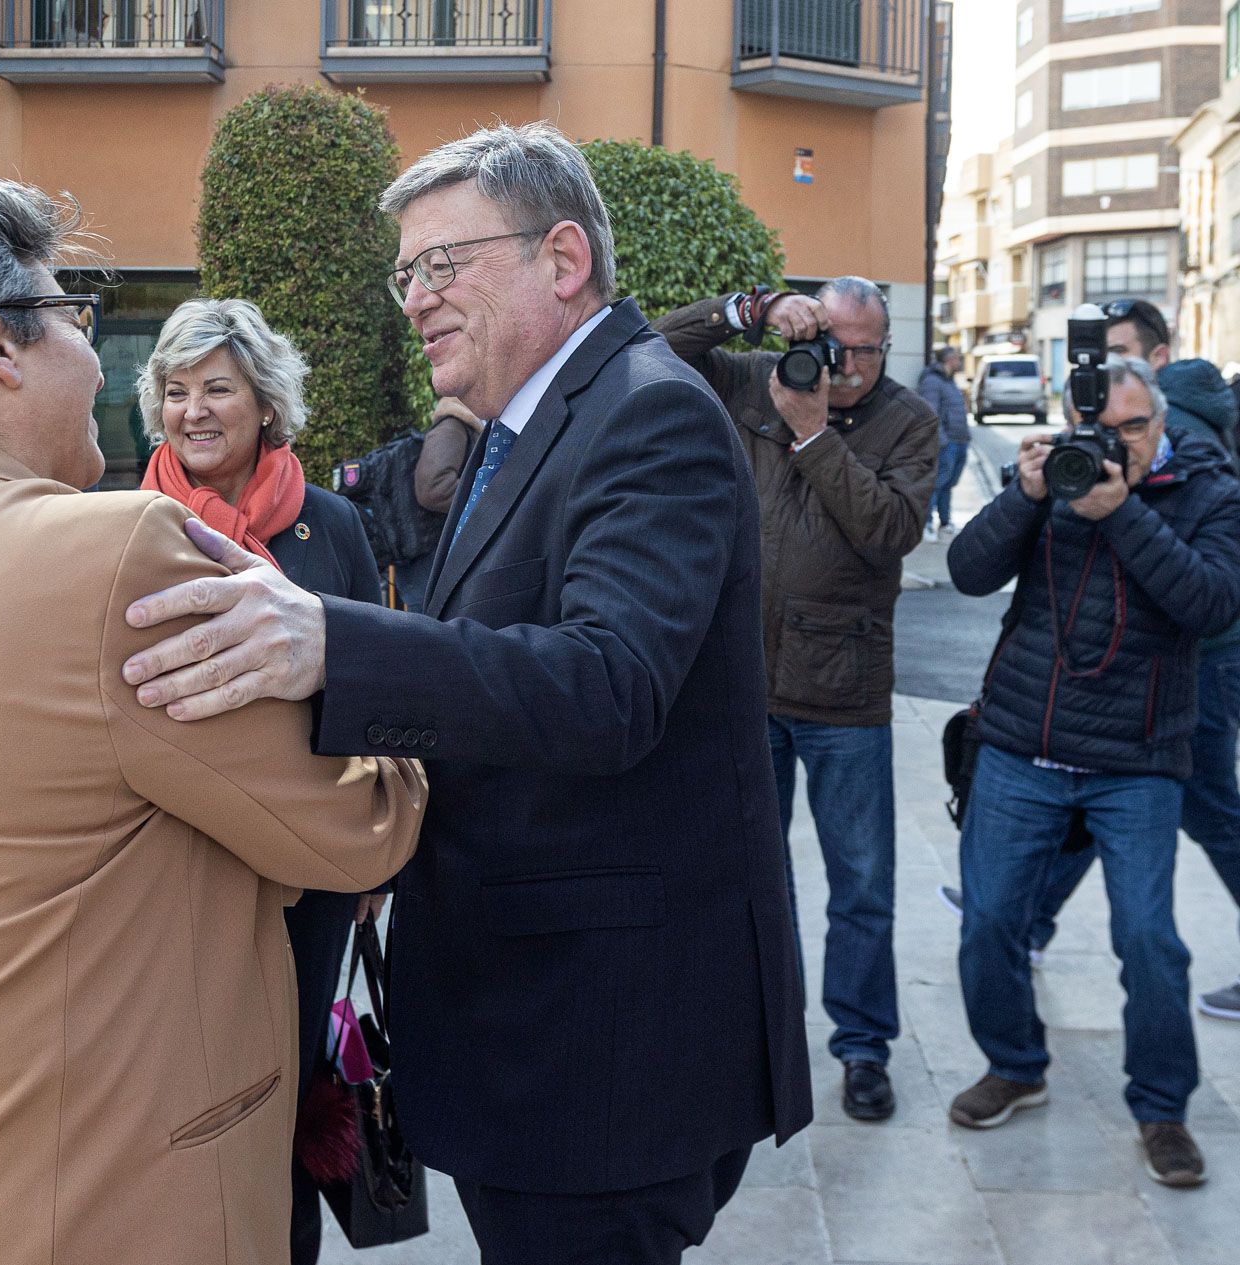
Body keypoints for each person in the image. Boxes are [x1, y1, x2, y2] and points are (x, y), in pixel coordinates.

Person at [118, 122, 812, 1265]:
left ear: (565, 257)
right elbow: (494, 662)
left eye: (444, 263)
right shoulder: (527, 426)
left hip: (603, 1052)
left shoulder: (649, 410)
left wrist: (335, 641)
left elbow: (607, 684)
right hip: (540, 1028)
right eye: (406, 273)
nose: (415, 298)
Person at [0, 168, 426, 1265]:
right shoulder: (113, 551)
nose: (92, 355)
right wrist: (373, 701)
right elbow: (359, 830)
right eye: (74, 314)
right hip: (90, 1206)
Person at [946, 354, 1240, 1187]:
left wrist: (1119, 515)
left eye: (1133, 429)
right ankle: (1015, 1062)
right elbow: (968, 572)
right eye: (1099, 431)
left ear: (1163, 426)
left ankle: (1162, 1108)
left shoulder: (1209, 495)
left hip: (1136, 758)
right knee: (990, 922)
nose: (1114, 446)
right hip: (1020, 742)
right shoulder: (1053, 483)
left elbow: (1212, 603)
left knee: (1150, 941)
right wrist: (1027, 495)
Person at [134, 296, 385, 1265]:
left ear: (265, 404)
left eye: (217, 389)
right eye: (175, 389)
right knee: (186, 1089)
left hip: (308, 864)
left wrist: (370, 861)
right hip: (176, 862)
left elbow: (377, 691)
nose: (193, 409)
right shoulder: (123, 524)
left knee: (288, 1091)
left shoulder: (334, 527)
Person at [655, 279, 936, 1122]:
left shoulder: (910, 422)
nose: (843, 364)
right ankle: (758, 1033)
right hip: (745, 681)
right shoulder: (756, 377)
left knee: (861, 884)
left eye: (864, 349)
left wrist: (813, 437)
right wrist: (750, 309)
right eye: (832, 341)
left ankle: (862, 1047)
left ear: (886, 349)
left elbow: (891, 530)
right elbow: (657, 350)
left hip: (844, 692)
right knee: (752, 877)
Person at [399, 396, 483, 613]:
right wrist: (485, 500)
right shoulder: (453, 426)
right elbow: (433, 489)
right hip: (428, 554)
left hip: (430, 551)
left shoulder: (460, 425)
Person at [919, 346, 970, 539]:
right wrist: (943, 441)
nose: (960, 361)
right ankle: (927, 524)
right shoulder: (933, 382)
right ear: (949, 359)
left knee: (947, 483)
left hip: (960, 440)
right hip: (946, 443)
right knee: (937, 483)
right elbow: (930, 413)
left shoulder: (949, 381)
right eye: (958, 357)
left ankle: (945, 522)